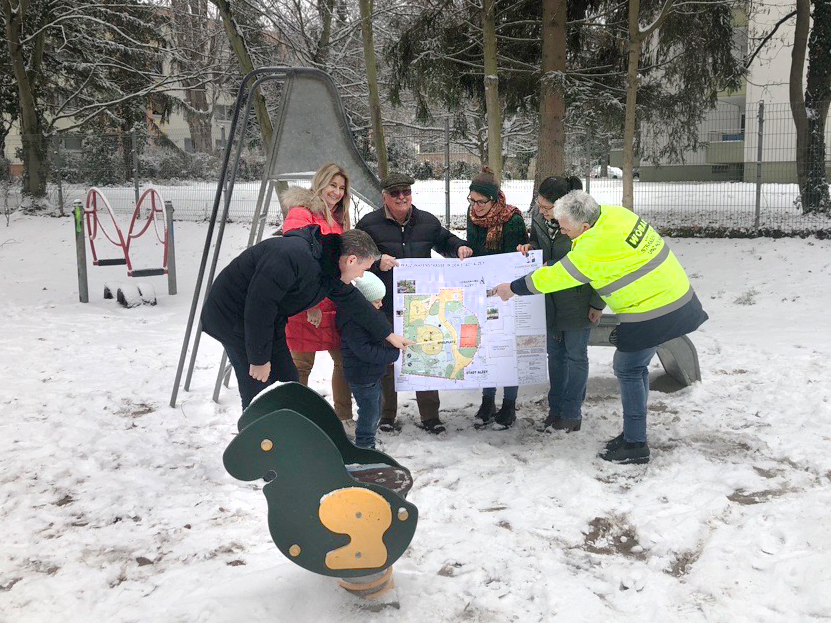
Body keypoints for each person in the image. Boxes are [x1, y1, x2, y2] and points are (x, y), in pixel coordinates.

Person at [493, 191, 708, 464]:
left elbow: (555, 278)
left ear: (584, 226)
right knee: (635, 367)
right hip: (677, 296)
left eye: (565, 227)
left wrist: (512, 288)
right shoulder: (615, 214)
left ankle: (635, 444)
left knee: (627, 368)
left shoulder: (591, 247)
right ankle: (634, 435)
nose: (562, 231)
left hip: (653, 310)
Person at [201, 225, 410, 411]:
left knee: (288, 380)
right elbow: (259, 306)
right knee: (258, 387)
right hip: (232, 317)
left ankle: (289, 437)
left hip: (268, 319)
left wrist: (388, 334)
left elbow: (353, 301)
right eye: (363, 270)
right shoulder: (291, 257)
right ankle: (258, 443)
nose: (361, 276)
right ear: (351, 259)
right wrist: (258, 358)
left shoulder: (329, 266)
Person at [356, 171, 473, 435]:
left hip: (420, 303)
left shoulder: (427, 221)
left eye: (405, 192)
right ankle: (386, 414)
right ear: (384, 196)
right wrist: (376, 261)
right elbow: (354, 254)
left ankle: (430, 416)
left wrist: (459, 248)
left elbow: (445, 240)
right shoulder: (368, 224)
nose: (401, 197)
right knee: (385, 359)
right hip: (383, 304)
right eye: (395, 193)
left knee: (425, 356)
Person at [516, 176, 604, 434]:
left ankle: (572, 413)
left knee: (576, 357)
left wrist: (598, 303)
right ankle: (555, 410)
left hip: (578, 300)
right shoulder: (540, 217)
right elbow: (538, 244)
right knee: (554, 356)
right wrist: (528, 248)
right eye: (539, 207)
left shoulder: (585, 222)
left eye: (547, 208)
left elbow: (599, 265)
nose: (542, 212)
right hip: (549, 299)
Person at [280, 163, 353, 423]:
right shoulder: (301, 212)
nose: (336, 192)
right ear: (320, 182)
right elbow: (298, 259)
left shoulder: (338, 217)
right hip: (304, 299)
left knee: (344, 360)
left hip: (333, 299)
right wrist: (310, 302)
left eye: (341, 187)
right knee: (300, 366)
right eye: (332, 185)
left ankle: (343, 418)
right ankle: (294, 421)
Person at [465, 167, 529, 430]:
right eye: (472, 200)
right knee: (484, 346)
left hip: (507, 290)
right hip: (481, 289)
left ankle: (509, 404)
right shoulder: (472, 217)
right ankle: (487, 400)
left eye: (481, 201)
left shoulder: (512, 219)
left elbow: (514, 260)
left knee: (507, 347)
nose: (476, 206)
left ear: (494, 199)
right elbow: (474, 251)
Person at [338, 271, 401, 449]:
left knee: (374, 409)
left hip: (371, 375)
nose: (381, 304)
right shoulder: (352, 323)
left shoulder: (367, 318)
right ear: (362, 303)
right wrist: (392, 355)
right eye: (376, 301)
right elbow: (365, 351)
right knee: (369, 413)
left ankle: (367, 439)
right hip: (362, 376)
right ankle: (364, 445)